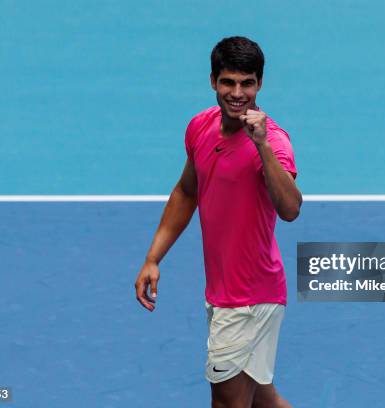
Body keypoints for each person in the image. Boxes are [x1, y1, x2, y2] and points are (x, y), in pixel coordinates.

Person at [135, 36, 301, 408]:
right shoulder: (199, 128)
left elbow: (290, 208)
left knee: (228, 402)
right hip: (227, 292)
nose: (237, 93)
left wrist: (261, 146)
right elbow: (186, 192)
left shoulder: (273, 142)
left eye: (247, 83)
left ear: (260, 84)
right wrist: (153, 258)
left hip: (249, 298)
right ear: (213, 81)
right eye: (228, 82)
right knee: (262, 400)